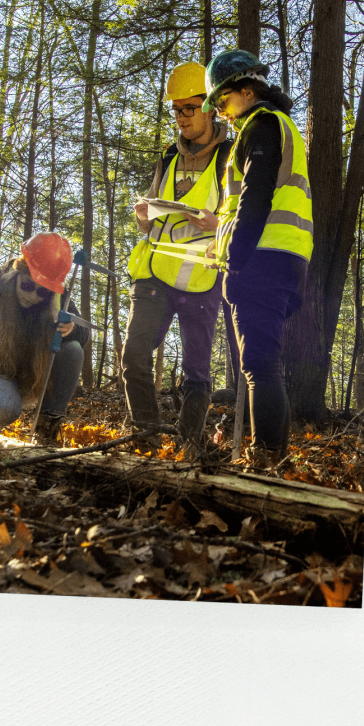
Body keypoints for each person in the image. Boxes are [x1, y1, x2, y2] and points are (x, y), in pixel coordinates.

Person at [202, 49, 313, 469]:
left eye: (223, 102)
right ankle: (272, 454)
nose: (222, 113)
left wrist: (235, 256)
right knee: (266, 362)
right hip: (285, 258)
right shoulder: (281, 126)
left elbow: (256, 195)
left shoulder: (261, 125)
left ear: (245, 92)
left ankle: (266, 458)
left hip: (261, 259)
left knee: (258, 364)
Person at [122, 60, 234, 454]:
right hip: (153, 270)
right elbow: (151, 222)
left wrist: (218, 224)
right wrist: (142, 217)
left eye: (190, 108)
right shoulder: (168, 156)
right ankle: (146, 439)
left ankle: (187, 450)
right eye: (176, 109)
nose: (182, 117)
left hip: (202, 276)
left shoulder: (231, 156)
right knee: (133, 356)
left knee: (197, 374)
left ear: (210, 107)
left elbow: (247, 217)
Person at [0, 231, 89, 444]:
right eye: (28, 285)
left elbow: (82, 336)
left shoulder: (59, 298)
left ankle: (46, 429)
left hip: (28, 374)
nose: (33, 295)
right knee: (5, 407)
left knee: (73, 349)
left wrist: (72, 329)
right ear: (17, 271)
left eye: (43, 292)